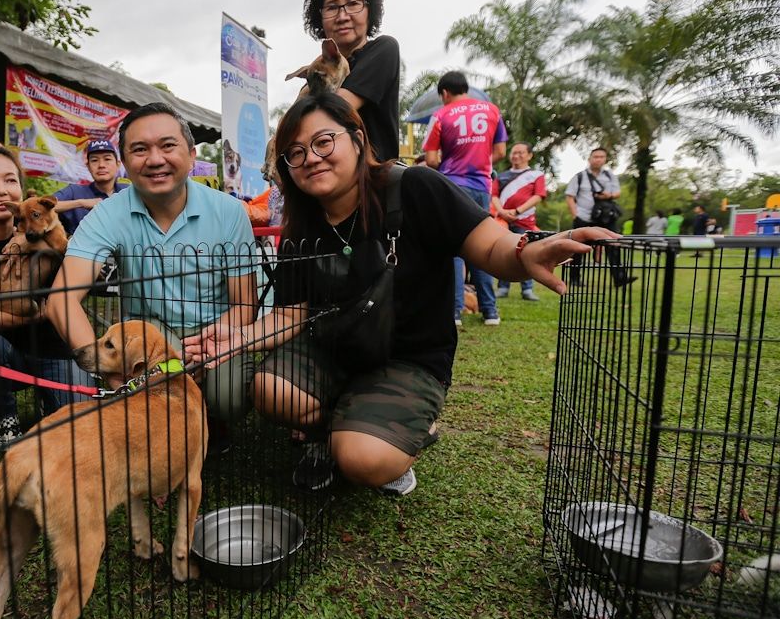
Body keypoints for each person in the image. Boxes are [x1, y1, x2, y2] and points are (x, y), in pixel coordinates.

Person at [184, 92, 612, 493]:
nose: (310, 159)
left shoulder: (416, 187)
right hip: (334, 350)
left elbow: (491, 244)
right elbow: (291, 314)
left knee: (361, 459)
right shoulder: (302, 225)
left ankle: (388, 434)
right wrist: (238, 337)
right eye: (295, 154)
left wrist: (525, 249)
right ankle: (337, 425)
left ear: (357, 139)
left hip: (409, 358)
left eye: (322, 142)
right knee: (270, 390)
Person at [45, 102, 258, 434]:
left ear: (191, 154)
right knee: (158, 381)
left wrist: (209, 345)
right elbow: (61, 299)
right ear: (125, 163)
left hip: (217, 329)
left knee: (227, 397)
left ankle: (213, 424)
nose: (156, 159)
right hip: (152, 330)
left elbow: (244, 304)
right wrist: (111, 372)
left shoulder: (230, 212)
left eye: (167, 146)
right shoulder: (107, 213)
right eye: (140, 149)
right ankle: (162, 429)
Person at [0, 137, 92, 446]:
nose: (0, 189)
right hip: (6, 353)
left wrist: (29, 239)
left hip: (55, 348)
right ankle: (6, 415)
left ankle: (48, 394)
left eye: (10, 180)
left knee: (81, 428)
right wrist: (37, 314)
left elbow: (78, 287)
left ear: (21, 192)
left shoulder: (49, 232)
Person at [423, 71, 508, 326]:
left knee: (454, 250)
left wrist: (447, 163)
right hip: (482, 186)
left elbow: (430, 159)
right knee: (482, 246)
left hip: (451, 187)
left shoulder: (440, 114)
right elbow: (500, 151)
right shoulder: (492, 110)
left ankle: (454, 312)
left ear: (444, 93)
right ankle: (490, 312)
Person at [303, 0, 400, 162]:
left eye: (353, 4)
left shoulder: (384, 50)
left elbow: (334, 110)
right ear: (320, 16)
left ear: (369, 9)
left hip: (374, 184)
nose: (342, 16)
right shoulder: (318, 74)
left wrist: (304, 97)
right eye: (332, 7)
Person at [565, 148, 635, 288]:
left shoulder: (610, 176)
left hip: (605, 217)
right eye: (595, 156)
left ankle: (619, 277)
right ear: (589, 158)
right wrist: (575, 215)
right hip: (584, 217)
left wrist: (607, 196)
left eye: (601, 157)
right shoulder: (579, 176)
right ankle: (574, 278)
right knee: (578, 249)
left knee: (613, 245)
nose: (598, 159)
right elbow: (570, 196)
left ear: (605, 159)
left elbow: (617, 193)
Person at [493, 141, 548, 301]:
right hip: (503, 221)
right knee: (503, 252)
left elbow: (538, 196)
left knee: (527, 252)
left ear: (529, 155)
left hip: (525, 221)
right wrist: (502, 212)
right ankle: (502, 287)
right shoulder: (501, 175)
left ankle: (527, 289)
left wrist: (518, 211)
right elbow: (494, 195)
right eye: (513, 152)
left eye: (520, 152)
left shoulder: (536, 175)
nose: (516, 156)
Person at [50, 138, 129, 235]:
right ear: (88, 166)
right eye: (94, 160)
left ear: (118, 164)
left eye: (107, 159)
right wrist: (80, 203)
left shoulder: (129, 191)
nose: (101, 165)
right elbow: (39, 206)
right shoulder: (74, 191)